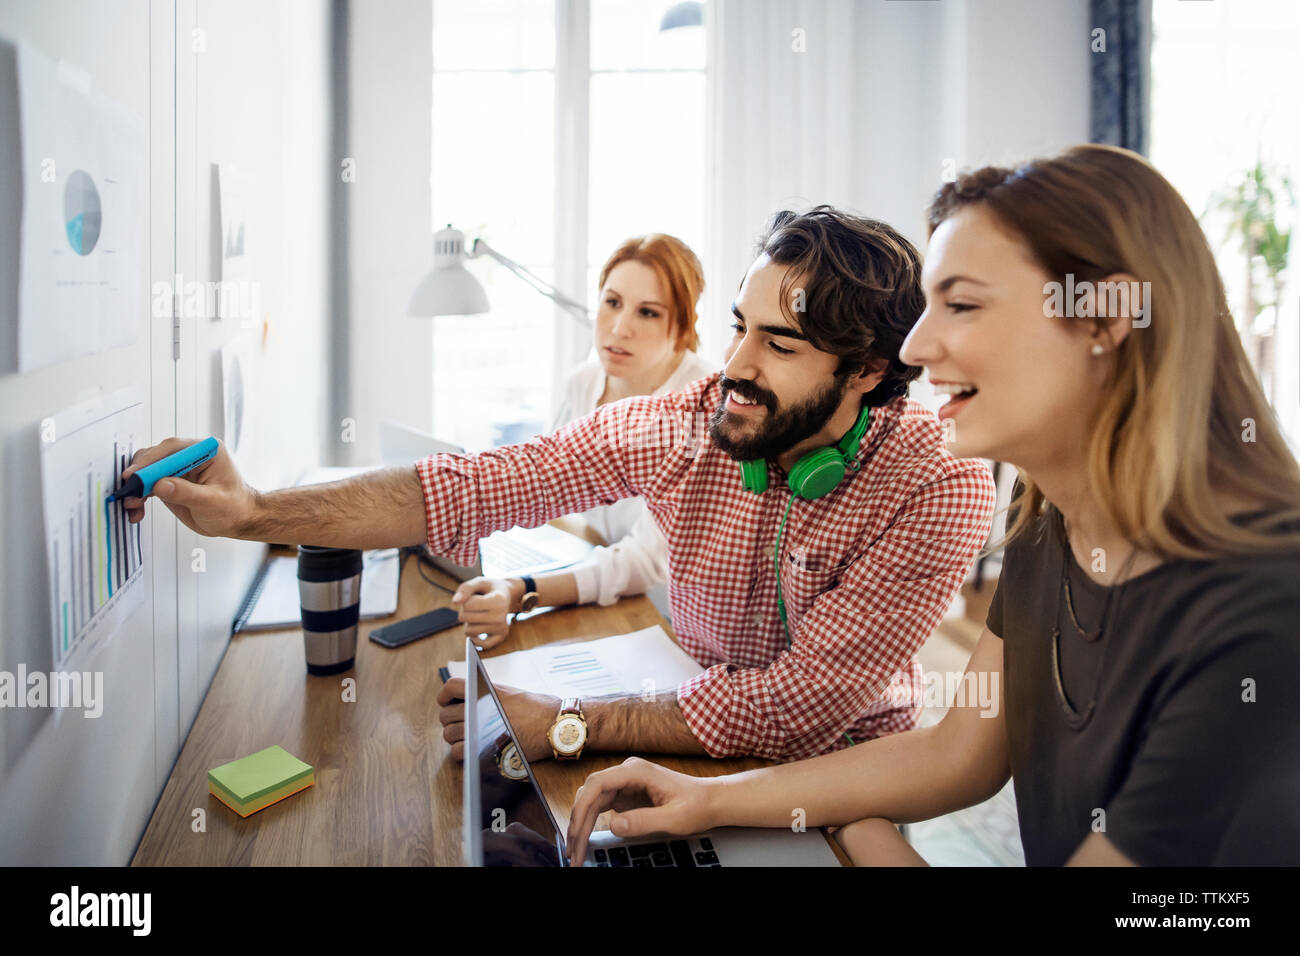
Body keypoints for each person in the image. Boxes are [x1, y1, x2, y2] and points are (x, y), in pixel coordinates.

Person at [563, 145, 1300, 866]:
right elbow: (960, 754)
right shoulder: (1052, 531)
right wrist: (711, 800)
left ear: (1105, 321)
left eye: (963, 305)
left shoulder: (1260, 606)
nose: (913, 347)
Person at [120, 206, 996, 767]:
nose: (734, 365)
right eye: (739, 328)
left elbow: (795, 707)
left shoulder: (939, 483)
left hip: (838, 763)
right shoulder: (690, 418)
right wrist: (256, 511)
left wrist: (570, 720)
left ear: (867, 371)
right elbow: (483, 485)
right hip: (681, 699)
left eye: (780, 344)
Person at [452, 234, 714, 648]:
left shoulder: (701, 412)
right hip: (593, 588)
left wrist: (519, 590)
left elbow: (642, 562)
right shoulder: (584, 383)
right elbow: (542, 487)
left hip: (663, 620)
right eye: (612, 302)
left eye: (647, 312)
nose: (619, 327)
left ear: (682, 328)